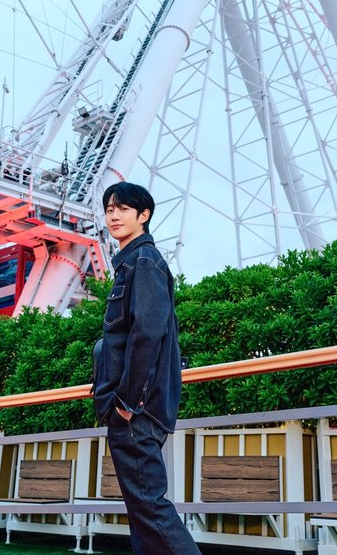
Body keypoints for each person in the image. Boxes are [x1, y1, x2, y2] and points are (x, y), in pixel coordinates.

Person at [92, 182, 199, 555]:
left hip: (135, 411)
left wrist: (127, 402)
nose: (114, 215)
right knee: (141, 514)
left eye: (123, 208)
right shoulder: (130, 265)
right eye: (109, 209)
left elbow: (147, 334)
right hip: (128, 409)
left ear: (144, 215)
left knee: (150, 508)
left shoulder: (145, 262)